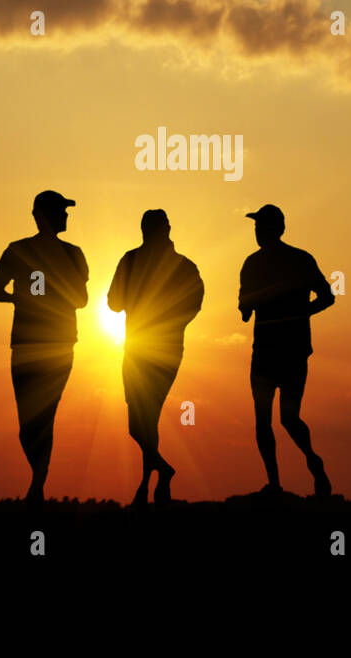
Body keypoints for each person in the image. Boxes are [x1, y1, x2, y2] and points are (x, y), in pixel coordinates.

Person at [0, 190, 88, 506]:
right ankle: (38, 475)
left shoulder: (74, 254)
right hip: (28, 343)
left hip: (58, 344)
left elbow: (83, 300)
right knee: (28, 419)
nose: (66, 216)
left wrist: (50, 297)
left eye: (66, 211)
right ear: (42, 215)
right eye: (61, 211)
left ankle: (37, 483)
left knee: (43, 413)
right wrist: (25, 299)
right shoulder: (18, 250)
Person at [107, 210, 203, 507]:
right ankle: (160, 472)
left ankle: (147, 485)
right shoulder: (133, 260)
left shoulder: (180, 266)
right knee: (140, 424)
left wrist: (173, 323)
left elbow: (194, 303)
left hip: (161, 351)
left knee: (146, 419)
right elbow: (113, 303)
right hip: (139, 349)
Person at [238, 204, 334, 498]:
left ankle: (294, 472)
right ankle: (281, 480)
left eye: (261, 227)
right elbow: (244, 309)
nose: (257, 232)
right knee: (278, 419)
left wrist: (300, 311)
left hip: (276, 351)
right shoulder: (293, 260)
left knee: (276, 420)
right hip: (284, 349)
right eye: (256, 227)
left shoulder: (263, 263)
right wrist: (301, 311)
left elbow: (327, 297)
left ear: (275, 229)